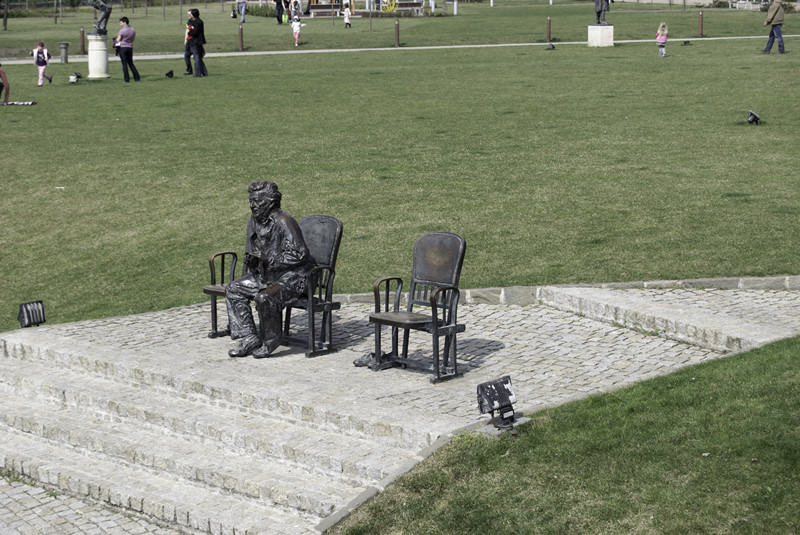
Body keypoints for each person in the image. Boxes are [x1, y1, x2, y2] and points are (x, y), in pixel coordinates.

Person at [225, 181, 314, 359]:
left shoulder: (284, 221)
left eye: (257, 201)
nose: (252, 205)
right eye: (251, 201)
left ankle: (271, 340)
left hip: (293, 277)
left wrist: (271, 261)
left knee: (264, 297)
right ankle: (249, 337)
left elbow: (300, 254)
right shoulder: (253, 221)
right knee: (233, 289)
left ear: (270, 202)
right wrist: (252, 260)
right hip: (267, 275)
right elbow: (252, 250)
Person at [115, 17, 141, 82]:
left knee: (124, 64)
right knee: (131, 63)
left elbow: (118, 40)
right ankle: (137, 78)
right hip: (130, 47)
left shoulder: (122, 31)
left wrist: (116, 40)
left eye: (121, 22)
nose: (120, 23)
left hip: (122, 47)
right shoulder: (132, 30)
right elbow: (133, 39)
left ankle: (127, 79)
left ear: (125, 22)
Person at [184, 9, 208, 77]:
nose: (189, 15)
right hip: (190, 41)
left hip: (196, 42)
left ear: (193, 15)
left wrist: (189, 32)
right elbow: (187, 27)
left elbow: (195, 32)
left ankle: (198, 74)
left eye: (190, 14)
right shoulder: (190, 21)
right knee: (188, 55)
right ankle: (204, 72)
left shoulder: (199, 22)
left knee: (197, 58)